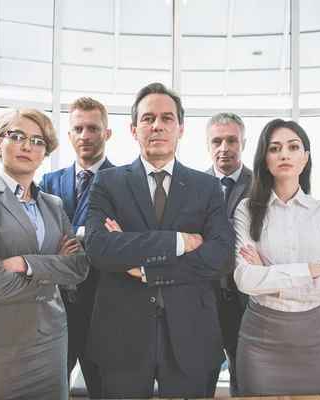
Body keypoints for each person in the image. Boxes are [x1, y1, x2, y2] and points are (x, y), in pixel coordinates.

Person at [83, 82, 235, 399]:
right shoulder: (108, 181)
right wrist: (178, 242)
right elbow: (98, 248)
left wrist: (145, 266)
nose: (157, 126)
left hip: (190, 329)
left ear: (180, 129)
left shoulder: (206, 186)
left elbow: (221, 257)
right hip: (121, 329)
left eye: (167, 118)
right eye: (148, 118)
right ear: (133, 129)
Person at [0, 108, 90, 400]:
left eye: (37, 141)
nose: (27, 146)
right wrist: (54, 270)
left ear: (44, 152)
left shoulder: (53, 205)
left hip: (51, 340)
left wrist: (24, 263)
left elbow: (79, 267)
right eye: (17, 136)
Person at [233, 119, 320, 396]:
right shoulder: (247, 210)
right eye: (275, 148)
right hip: (259, 339)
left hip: (311, 338)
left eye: (293, 147)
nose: (284, 154)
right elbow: (244, 279)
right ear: (264, 159)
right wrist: (309, 271)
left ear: (305, 157)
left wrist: (270, 279)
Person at [39, 97, 114, 398]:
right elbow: (41, 239)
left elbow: (115, 244)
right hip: (57, 307)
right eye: (78, 128)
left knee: (104, 389)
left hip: (103, 308)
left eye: (93, 128)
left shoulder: (123, 181)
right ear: (69, 134)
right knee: (52, 388)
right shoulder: (48, 181)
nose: (85, 135)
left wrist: (73, 239)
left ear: (107, 133)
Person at [203, 112, 252, 397]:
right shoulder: (193, 184)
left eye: (232, 140)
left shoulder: (261, 184)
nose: (224, 147)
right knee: (203, 374)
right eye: (217, 141)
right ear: (208, 146)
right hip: (205, 298)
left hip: (245, 300)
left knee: (243, 378)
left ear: (243, 143)